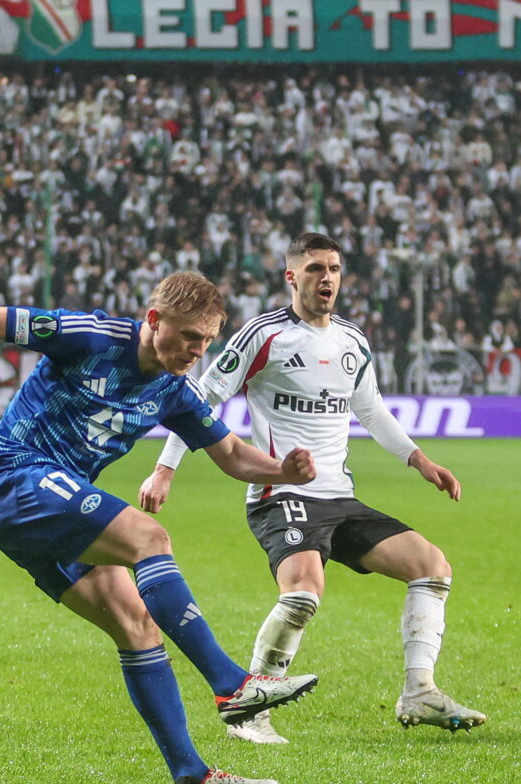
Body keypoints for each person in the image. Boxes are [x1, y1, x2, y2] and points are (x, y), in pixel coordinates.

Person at [0, 271, 319, 784]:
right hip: (15, 477)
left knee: (137, 626)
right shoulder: (93, 336)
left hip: (51, 508)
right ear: (154, 321)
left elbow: (233, 455)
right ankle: (232, 685)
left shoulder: (173, 390)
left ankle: (191, 777)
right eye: (189, 336)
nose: (197, 350)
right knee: (148, 537)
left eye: (206, 341)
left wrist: (284, 473)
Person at [140, 233, 485, 746]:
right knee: (304, 592)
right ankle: (248, 711)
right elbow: (202, 396)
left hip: (338, 496)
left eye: (335, 269)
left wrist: (419, 459)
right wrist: (165, 467)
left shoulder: (352, 341)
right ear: (292, 276)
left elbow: (371, 410)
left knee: (431, 567)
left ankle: (420, 690)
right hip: (281, 496)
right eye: (316, 268)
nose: (327, 278)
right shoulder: (263, 335)